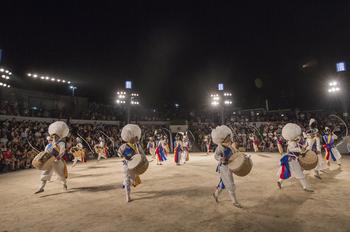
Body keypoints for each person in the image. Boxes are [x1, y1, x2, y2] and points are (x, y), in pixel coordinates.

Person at [34, 121, 69, 194]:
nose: (54, 138)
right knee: (45, 173)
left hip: (57, 161)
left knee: (60, 174)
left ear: (58, 137)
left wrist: (58, 157)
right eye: (52, 137)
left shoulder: (61, 143)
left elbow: (62, 152)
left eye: (55, 136)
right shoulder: (47, 146)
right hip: (49, 161)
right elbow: (45, 153)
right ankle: (41, 188)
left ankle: (64, 184)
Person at [211, 125, 241, 208]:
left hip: (229, 166)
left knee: (224, 183)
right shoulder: (219, 148)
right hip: (224, 168)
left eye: (229, 136)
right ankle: (234, 202)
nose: (229, 138)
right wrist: (221, 159)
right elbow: (215, 156)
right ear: (222, 138)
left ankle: (216, 194)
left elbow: (235, 153)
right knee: (230, 184)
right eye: (227, 137)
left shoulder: (230, 146)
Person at [277, 123, 313, 192]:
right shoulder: (292, 143)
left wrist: (303, 145)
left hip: (290, 160)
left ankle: (280, 181)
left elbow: (300, 147)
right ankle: (306, 187)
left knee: (288, 171)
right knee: (300, 174)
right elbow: (293, 149)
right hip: (293, 160)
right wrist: (301, 149)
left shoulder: (291, 141)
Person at [118, 124, 145, 202]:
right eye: (134, 137)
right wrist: (124, 157)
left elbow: (141, 154)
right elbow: (119, 153)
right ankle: (128, 196)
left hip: (135, 166)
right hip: (127, 165)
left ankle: (125, 184)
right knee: (127, 179)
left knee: (133, 179)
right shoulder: (124, 146)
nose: (136, 138)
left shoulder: (137, 145)